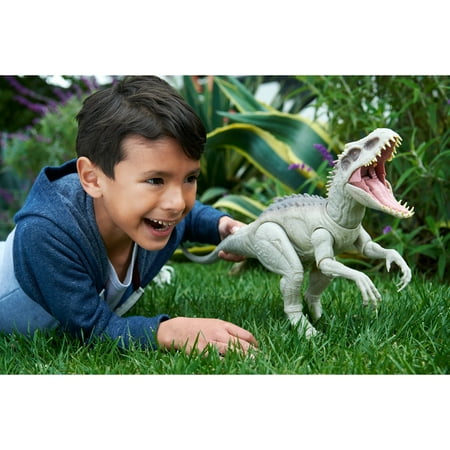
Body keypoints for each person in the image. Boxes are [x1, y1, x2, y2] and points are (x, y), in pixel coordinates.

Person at [0, 76, 257, 355]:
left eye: (190, 178)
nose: (176, 203)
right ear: (93, 179)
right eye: (155, 180)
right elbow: (93, 328)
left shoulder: (152, 215)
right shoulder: (46, 233)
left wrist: (221, 226)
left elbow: (191, 217)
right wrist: (168, 331)